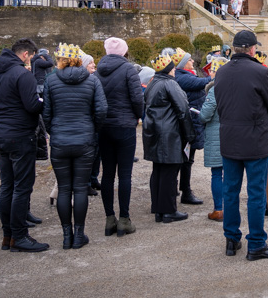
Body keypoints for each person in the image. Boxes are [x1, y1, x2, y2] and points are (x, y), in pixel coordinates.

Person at [214, 30, 268, 261]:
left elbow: (220, 106)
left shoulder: (221, 72)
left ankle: (232, 239)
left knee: (230, 191)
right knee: (255, 193)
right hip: (254, 139)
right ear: (252, 49)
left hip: (230, 137)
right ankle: (256, 244)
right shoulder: (260, 71)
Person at [0, 38, 48, 252]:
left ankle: (8, 236)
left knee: (6, 186)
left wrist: (5, 103)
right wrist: (41, 102)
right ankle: (19, 236)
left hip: (1, 134)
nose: (33, 60)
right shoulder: (22, 75)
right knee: (22, 187)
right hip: (20, 136)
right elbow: (32, 106)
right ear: (26, 54)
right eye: (32, 56)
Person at [43, 43, 108, 250]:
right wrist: (92, 130)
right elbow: (101, 110)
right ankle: (78, 235)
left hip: (60, 141)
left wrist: (55, 131)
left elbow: (46, 113)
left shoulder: (51, 80)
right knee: (80, 188)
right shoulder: (92, 81)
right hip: (84, 140)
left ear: (60, 60)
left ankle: (66, 236)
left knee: (64, 188)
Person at [95, 37, 144, 237]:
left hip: (104, 126)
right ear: (124, 51)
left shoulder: (97, 71)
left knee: (107, 173)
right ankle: (124, 218)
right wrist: (138, 115)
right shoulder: (128, 69)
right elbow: (137, 98)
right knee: (124, 174)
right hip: (124, 125)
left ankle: (109, 218)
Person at [143, 50, 196, 224]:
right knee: (169, 172)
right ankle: (168, 211)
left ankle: (158, 208)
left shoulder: (153, 83)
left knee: (158, 170)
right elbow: (183, 110)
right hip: (169, 133)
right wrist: (189, 134)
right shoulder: (170, 84)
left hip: (155, 132)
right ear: (169, 70)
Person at [173, 48, 209, 206]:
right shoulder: (182, 77)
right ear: (182, 64)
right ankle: (185, 191)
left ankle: (179, 188)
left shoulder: (184, 75)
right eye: (189, 60)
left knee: (187, 158)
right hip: (188, 124)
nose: (192, 61)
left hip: (191, 122)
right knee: (186, 159)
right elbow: (201, 83)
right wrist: (214, 75)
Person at [199, 57, 229, 221]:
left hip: (217, 134)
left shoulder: (214, 89)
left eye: (212, 70)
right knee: (231, 172)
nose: (209, 73)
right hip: (233, 133)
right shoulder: (234, 87)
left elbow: (204, 115)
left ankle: (219, 209)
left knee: (217, 173)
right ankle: (230, 207)